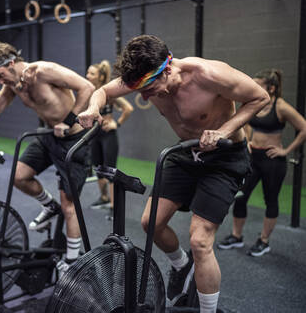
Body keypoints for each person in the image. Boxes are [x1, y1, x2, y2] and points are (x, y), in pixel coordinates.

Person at [78, 35, 269, 312]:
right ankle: (181, 265)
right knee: (150, 223)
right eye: (137, 89)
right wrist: (93, 107)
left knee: (200, 240)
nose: (142, 96)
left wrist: (223, 131)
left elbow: (259, 97)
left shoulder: (208, 74)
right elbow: (103, 92)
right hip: (186, 153)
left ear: (166, 69)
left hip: (225, 157)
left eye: (147, 87)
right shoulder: (145, 77)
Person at [0, 41, 95, 275]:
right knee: (19, 176)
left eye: (0, 75)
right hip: (47, 136)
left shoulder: (44, 71)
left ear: (12, 64)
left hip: (73, 140)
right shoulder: (14, 84)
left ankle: (72, 262)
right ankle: (49, 206)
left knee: (70, 207)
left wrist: (69, 122)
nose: (0, 81)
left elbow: (87, 86)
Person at [218, 69, 306, 257]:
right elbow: (247, 122)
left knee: (270, 200)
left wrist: (286, 151)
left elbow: (303, 127)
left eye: (259, 85)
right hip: (252, 157)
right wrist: (248, 140)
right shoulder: (255, 102)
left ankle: (264, 241)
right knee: (240, 196)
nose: (254, 87)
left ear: (271, 88)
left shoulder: (280, 106)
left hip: (273, 160)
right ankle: (236, 236)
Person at [85, 60, 133, 220]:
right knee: (97, 167)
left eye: (91, 73)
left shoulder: (107, 93)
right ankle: (104, 198)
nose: (87, 76)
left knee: (110, 170)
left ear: (100, 76)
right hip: (94, 134)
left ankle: (114, 206)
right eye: (88, 73)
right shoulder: (87, 91)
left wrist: (116, 123)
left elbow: (128, 108)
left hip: (107, 135)